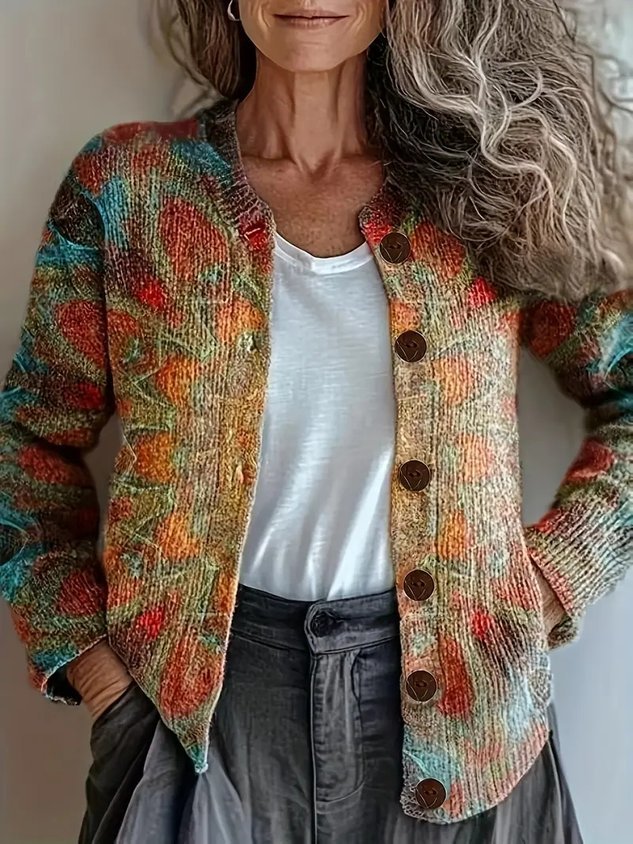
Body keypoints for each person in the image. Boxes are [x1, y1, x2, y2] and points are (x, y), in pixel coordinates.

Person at [1, 0, 631, 841]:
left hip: (468, 718)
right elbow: (30, 439)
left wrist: (547, 583)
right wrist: (96, 668)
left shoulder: (485, 185)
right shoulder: (129, 188)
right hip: (192, 725)